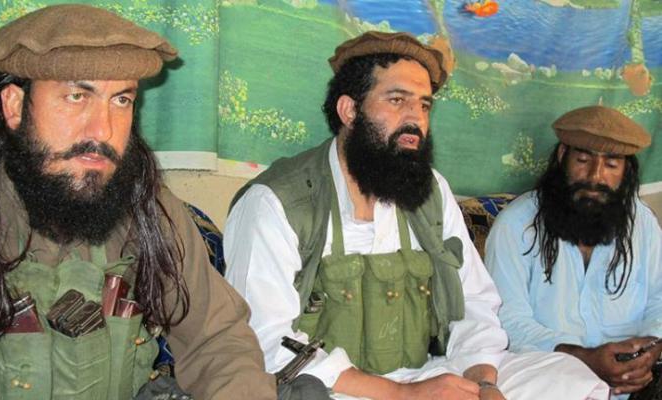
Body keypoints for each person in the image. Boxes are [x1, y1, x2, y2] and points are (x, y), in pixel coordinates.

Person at [225, 31, 609, 400]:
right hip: (332, 389)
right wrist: (402, 394)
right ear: (349, 110)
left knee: (568, 376)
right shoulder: (274, 202)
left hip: (423, 375)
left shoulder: (430, 191)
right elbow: (265, 341)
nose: (416, 120)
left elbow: (474, 303)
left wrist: (484, 386)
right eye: (397, 100)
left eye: (424, 105)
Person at [0, 4, 276, 399]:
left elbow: (217, 341)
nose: (103, 130)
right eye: (77, 96)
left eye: (121, 101)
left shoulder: (149, 210)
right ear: (13, 106)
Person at [485, 105, 662, 398]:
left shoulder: (641, 222)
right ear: (562, 156)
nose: (595, 176)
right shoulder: (516, 226)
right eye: (582, 160)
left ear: (626, 171)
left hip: (636, 381)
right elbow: (507, 322)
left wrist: (652, 348)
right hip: (551, 377)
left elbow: (659, 298)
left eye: (611, 165)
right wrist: (584, 358)